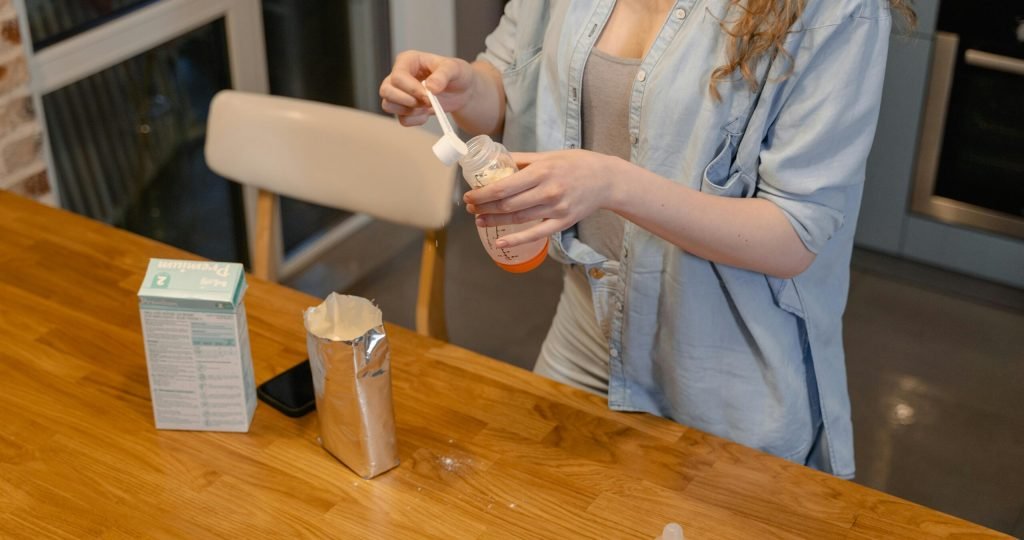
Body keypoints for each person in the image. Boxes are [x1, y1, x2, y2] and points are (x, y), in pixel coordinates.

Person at [379, 0, 914, 478]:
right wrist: (466, 89)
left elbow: (793, 235)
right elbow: (516, 87)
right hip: (590, 326)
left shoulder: (835, 10)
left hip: (730, 368)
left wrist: (613, 184)